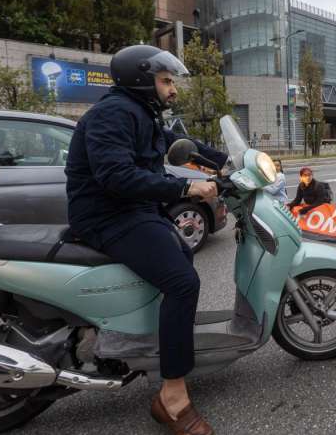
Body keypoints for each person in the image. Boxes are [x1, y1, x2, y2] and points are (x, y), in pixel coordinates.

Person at [66, 45, 227, 434]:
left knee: (179, 262)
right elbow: (116, 177)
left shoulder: (141, 113)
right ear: (142, 79)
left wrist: (226, 162)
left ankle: (149, 340)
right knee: (183, 283)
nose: (172, 89)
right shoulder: (113, 113)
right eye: (166, 80)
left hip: (131, 210)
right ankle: (171, 397)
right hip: (108, 215)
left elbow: (177, 143)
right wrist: (187, 189)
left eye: (172, 81)